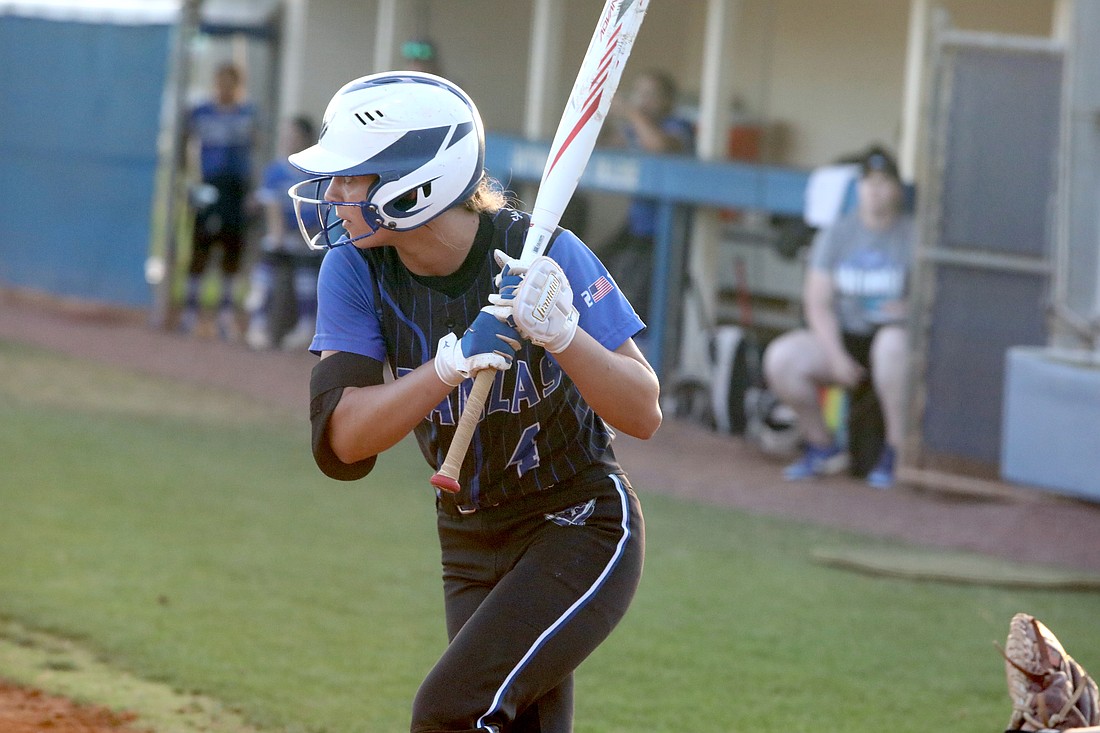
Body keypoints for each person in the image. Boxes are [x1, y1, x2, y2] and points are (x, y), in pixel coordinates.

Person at [287, 71, 661, 732]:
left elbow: (642, 412)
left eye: (353, 176)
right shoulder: (354, 268)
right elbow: (341, 442)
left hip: (578, 520)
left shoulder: (541, 253)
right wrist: (448, 365)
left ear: (416, 184)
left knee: (450, 712)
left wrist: (564, 333)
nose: (335, 193)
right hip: (468, 535)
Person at [762, 146, 914, 489]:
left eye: (883, 182)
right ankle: (822, 446)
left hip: (893, 343)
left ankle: (895, 452)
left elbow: (935, 298)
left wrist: (911, 309)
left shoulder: (912, 234)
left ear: (896, 189)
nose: (874, 190)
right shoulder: (838, 233)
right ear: (858, 188)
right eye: (868, 182)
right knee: (782, 358)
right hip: (845, 339)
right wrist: (835, 355)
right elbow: (817, 302)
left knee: (891, 346)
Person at [599, 68, 694, 323]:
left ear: (668, 101)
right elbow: (604, 145)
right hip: (636, 226)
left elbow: (660, 146)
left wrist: (630, 112)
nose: (642, 100)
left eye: (650, 95)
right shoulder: (636, 127)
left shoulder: (678, 126)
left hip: (669, 229)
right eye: (639, 93)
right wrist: (600, 110)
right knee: (598, 264)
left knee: (645, 293)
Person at [179, 62, 258, 340]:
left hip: (235, 189)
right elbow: (186, 145)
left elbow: (254, 151)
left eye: (230, 82)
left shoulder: (247, 114)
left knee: (231, 247)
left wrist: (252, 190)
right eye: (220, 81)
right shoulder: (201, 112)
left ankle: (225, 312)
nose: (224, 87)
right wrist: (189, 181)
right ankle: (190, 311)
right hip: (207, 184)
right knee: (200, 244)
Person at [244, 115, 323, 351]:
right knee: (264, 269)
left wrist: (307, 235)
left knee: (306, 272)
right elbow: (272, 210)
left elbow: (324, 209)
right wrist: (279, 238)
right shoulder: (275, 171)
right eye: (287, 135)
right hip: (284, 235)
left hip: (311, 235)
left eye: (295, 135)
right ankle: (257, 325)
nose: (289, 140)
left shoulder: (318, 170)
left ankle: (306, 327)